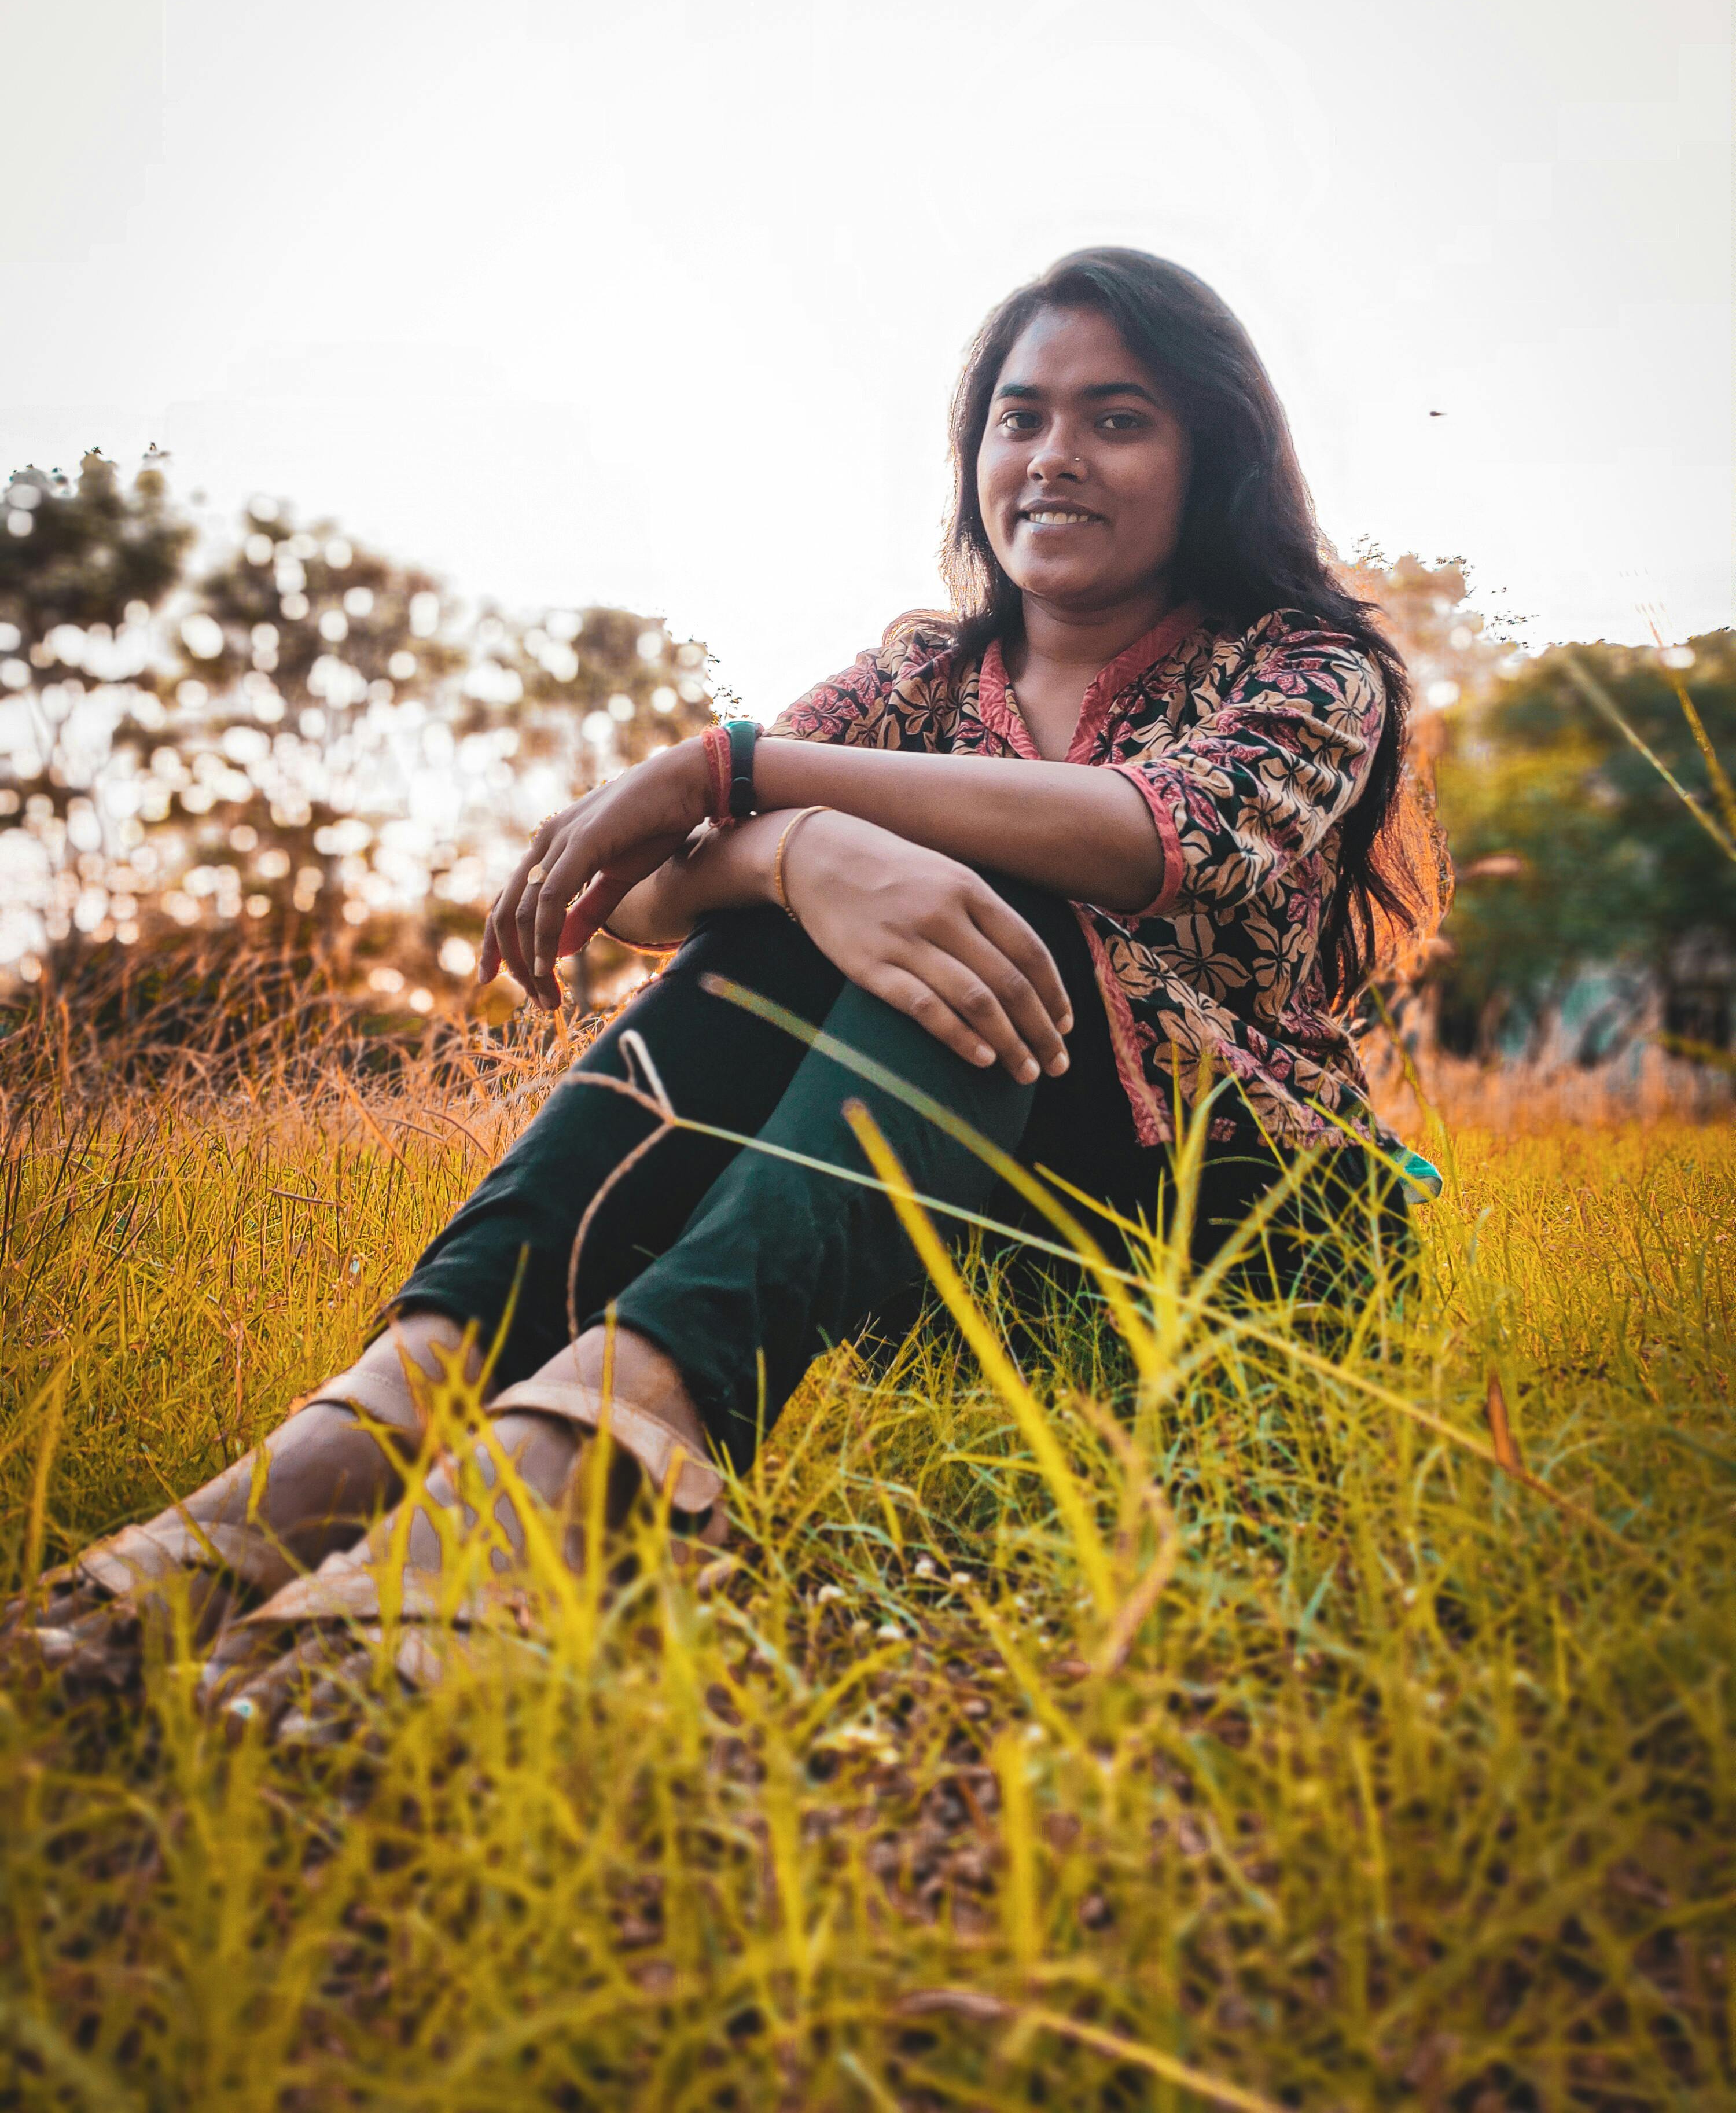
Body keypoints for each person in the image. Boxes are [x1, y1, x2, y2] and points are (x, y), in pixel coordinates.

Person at [12, 248, 1441, 1728]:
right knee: (819, 905)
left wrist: (741, 772)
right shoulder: (921, 681)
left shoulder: (1310, 665)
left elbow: (1152, 835)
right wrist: (800, 853)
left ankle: (578, 1486)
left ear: (1212, 453)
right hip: (946, 1234)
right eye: (1019, 418)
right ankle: (364, 1435)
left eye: (1117, 419)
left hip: (1236, 1251)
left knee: (968, 887)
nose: (1053, 457)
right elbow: (634, 888)